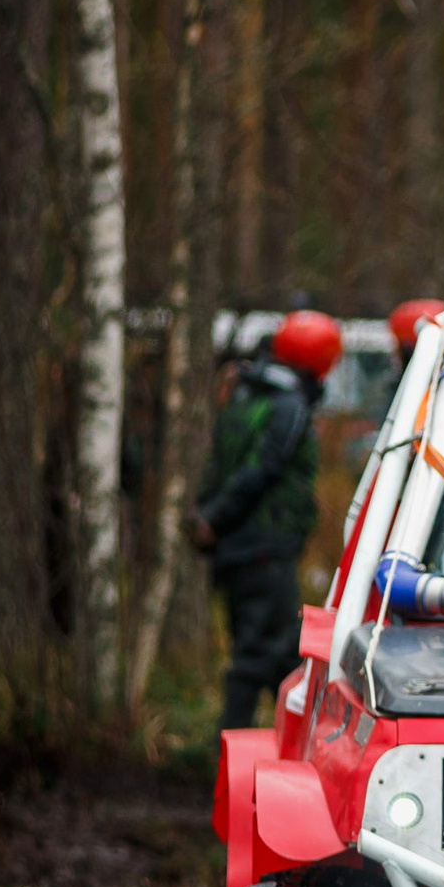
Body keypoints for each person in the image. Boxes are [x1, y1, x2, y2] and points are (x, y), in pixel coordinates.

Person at [196, 309, 342, 731]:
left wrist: (209, 519)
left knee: (283, 654)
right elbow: (261, 469)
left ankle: (296, 741)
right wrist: (215, 518)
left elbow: (220, 464)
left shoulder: (246, 395)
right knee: (260, 655)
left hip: (242, 547)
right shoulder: (288, 406)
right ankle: (233, 755)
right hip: (263, 547)